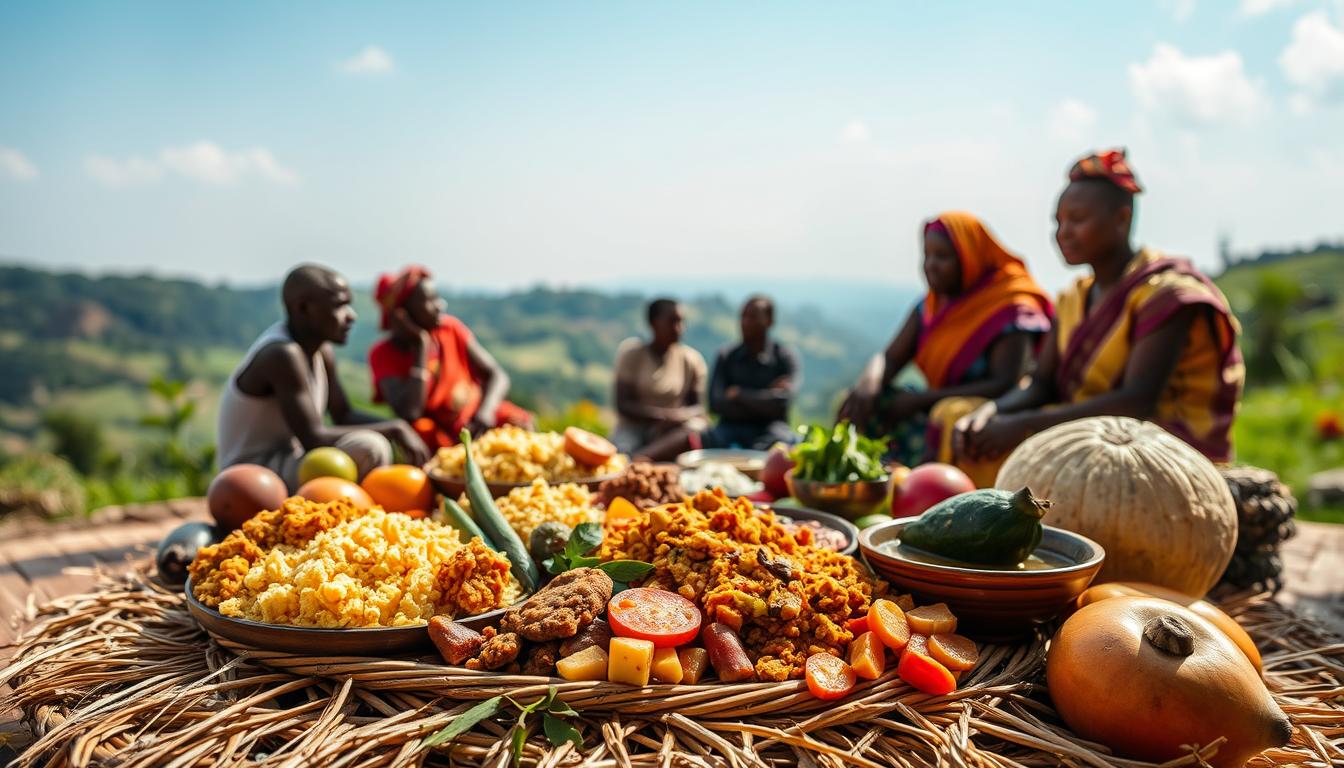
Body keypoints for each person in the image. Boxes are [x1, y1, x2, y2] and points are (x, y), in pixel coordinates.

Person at [955, 149, 1244, 465]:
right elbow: (1041, 384)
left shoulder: (1167, 294)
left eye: (1077, 220)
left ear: (1122, 219)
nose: (1063, 233)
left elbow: (1136, 402)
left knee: (1008, 458)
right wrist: (989, 413)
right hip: (1085, 434)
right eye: (1058, 222)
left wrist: (1022, 428)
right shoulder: (1072, 299)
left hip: (1156, 451)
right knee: (956, 419)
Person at [837, 211, 1053, 468]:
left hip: (983, 414)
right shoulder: (931, 307)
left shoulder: (1010, 308)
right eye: (927, 256)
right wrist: (868, 382)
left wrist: (921, 400)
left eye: (943, 256)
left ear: (970, 257)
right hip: (935, 404)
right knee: (863, 403)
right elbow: (890, 357)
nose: (930, 265)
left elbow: (1004, 383)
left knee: (947, 414)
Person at [217, 264, 429, 490]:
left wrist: (401, 427)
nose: (351, 316)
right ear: (303, 308)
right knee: (370, 448)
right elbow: (314, 438)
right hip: (252, 473)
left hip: (289, 459)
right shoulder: (282, 354)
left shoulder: (321, 352)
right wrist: (393, 429)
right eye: (339, 306)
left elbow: (342, 413)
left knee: (371, 443)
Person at [368, 266, 533, 449]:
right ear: (402, 315)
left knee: (519, 424)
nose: (440, 305)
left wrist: (486, 411)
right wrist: (421, 346)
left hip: (478, 417)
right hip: (442, 434)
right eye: (430, 301)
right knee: (422, 431)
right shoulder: (383, 354)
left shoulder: (450, 329)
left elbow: (497, 375)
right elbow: (410, 412)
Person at [610, 298, 708, 458]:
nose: (679, 328)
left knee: (697, 428)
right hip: (633, 428)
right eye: (673, 322)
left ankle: (639, 460)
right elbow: (623, 404)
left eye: (681, 322)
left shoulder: (691, 359)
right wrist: (662, 417)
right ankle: (640, 460)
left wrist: (674, 419)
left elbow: (697, 408)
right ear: (654, 323)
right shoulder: (632, 354)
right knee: (621, 449)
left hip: (672, 432)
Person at [704, 295, 800, 450]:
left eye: (753, 317)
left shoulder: (785, 357)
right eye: (743, 317)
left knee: (784, 444)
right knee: (706, 439)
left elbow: (783, 402)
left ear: (769, 321)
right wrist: (766, 397)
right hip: (729, 429)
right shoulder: (726, 356)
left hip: (771, 430)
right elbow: (715, 404)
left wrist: (739, 394)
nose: (745, 323)